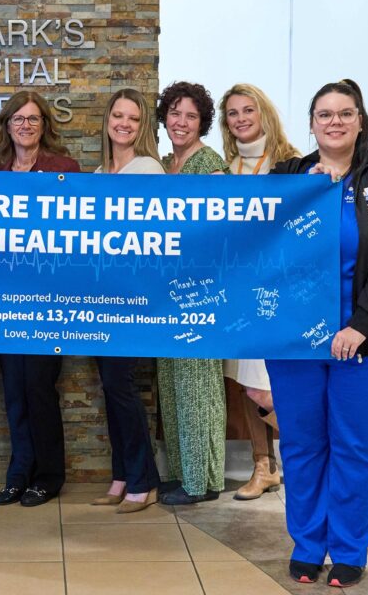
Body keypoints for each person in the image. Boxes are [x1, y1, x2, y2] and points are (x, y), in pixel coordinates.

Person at [267, 80, 368, 587]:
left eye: (345, 113)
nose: (335, 122)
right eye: (324, 114)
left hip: (366, 343)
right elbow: (254, 242)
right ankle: (308, 544)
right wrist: (300, 196)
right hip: (295, 342)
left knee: (354, 446)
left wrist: (360, 325)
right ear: (311, 123)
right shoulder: (287, 177)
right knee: (301, 445)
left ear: (360, 121)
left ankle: (350, 549)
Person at [0, 91, 79, 507]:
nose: (25, 126)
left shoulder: (64, 170)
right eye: (18, 119)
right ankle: (18, 473)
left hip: (49, 300)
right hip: (5, 301)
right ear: (7, 125)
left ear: (44, 125)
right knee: (13, 390)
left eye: (33, 119)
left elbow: (77, 233)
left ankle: (49, 475)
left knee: (39, 387)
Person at [216, 82, 298, 500]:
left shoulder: (293, 163)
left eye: (248, 110)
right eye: (232, 113)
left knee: (262, 384)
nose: (241, 118)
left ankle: (311, 451)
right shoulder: (227, 169)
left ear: (264, 113)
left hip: (279, 293)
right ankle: (264, 467)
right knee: (243, 379)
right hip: (239, 291)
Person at [152, 81, 228, 506]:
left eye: (191, 116)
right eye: (175, 113)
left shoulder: (209, 164)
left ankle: (201, 482)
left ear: (202, 122)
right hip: (166, 288)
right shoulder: (166, 164)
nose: (181, 122)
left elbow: (219, 227)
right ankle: (186, 473)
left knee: (197, 384)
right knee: (172, 382)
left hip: (198, 290)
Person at [89, 88, 163, 513]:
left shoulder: (148, 168)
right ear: (108, 120)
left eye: (133, 118)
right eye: (118, 115)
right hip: (100, 297)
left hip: (133, 300)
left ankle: (143, 481)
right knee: (111, 386)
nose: (124, 124)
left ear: (142, 126)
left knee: (122, 386)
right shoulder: (100, 173)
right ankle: (121, 475)